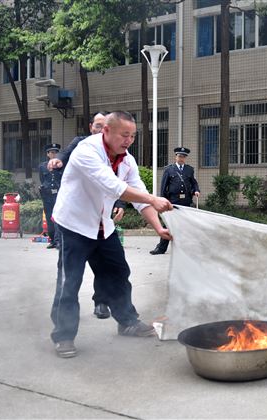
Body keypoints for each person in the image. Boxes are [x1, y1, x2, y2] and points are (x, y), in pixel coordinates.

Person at [50, 111, 173, 359]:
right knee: (69, 281)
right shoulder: (87, 151)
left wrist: (158, 228)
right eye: (124, 135)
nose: (128, 141)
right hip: (74, 226)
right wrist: (152, 199)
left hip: (103, 226)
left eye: (133, 136)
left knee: (118, 273)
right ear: (106, 131)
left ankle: (127, 321)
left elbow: (139, 194)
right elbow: (113, 186)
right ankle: (63, 336)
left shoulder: (127, 160)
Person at [49, 112, 124, 320]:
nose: (101, 130)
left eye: (105, 126)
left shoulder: (116, 151)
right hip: (75, 221)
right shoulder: (83, 145)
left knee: (109, 268)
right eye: (98, 125)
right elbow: (65, 154)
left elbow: (118, 180)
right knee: (69, 276)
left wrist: (119, 203)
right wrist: (58, 161)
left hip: (101, 222)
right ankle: (63, 329)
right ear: (91, 126)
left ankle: (103, 303)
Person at [149, 146, 200, 255]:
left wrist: (196, 190)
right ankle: (161, 248)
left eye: (183, 157)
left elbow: (193, 182)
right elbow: (164, 186)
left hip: (186, 201)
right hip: (172, 202)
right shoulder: (169, 169)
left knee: (186, 225)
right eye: (179, 156)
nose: (181, 158)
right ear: (176, 156)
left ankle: (185, 249)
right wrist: (163, 201)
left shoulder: (189, 169)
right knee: (168, 224)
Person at [39, 143, 63, 249]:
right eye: (52, 152)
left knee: (57, 217)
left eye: (56, 152)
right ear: (48, 154)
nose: (54, 154)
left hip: (58, 194)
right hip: (47, 195)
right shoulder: (42, 166)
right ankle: (52, 240)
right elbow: (42, 180)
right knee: (49, 218)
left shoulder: (61, 165)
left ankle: (58, 241)